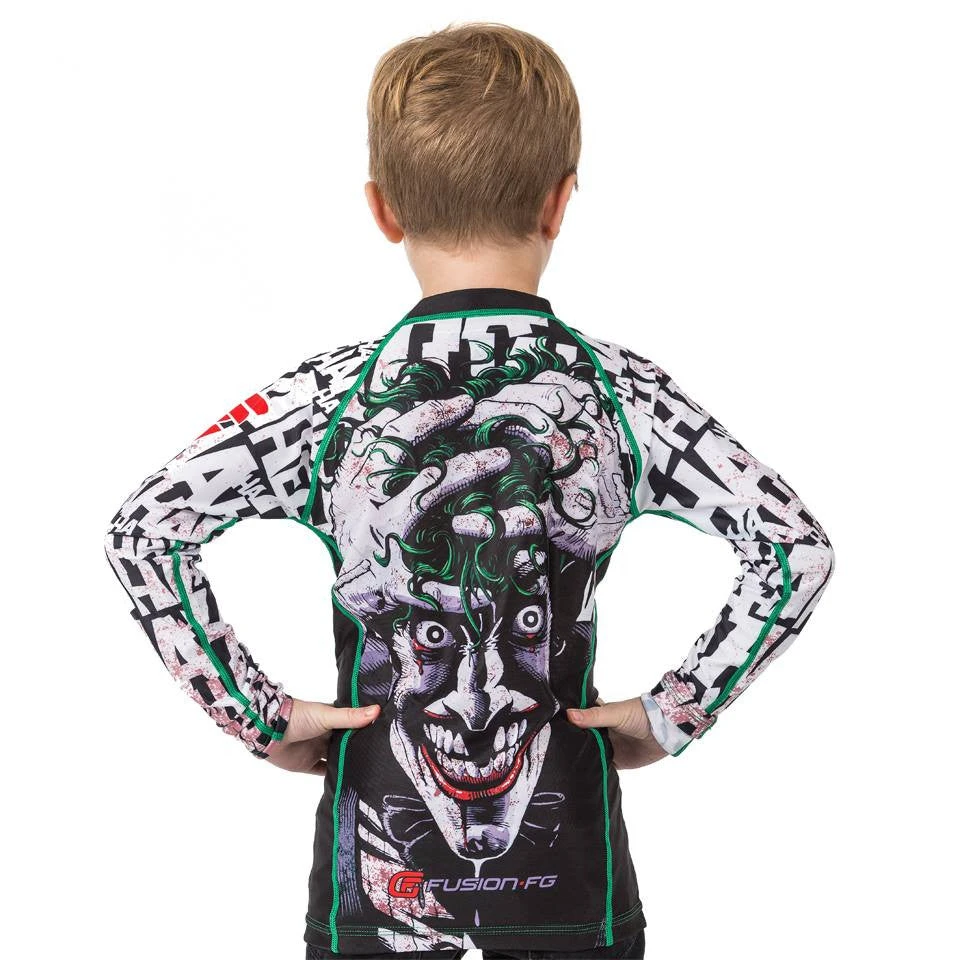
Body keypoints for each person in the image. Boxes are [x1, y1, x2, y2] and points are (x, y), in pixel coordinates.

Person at [104, 22, 835, 960]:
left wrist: (257, 716)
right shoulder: (623, 397)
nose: (478, 703)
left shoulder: (328, 400)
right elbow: (793, 547)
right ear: (561, 201)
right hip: (576, 906)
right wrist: (673, 712)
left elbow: (145, 529)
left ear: (383, 209)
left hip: (371, 919)